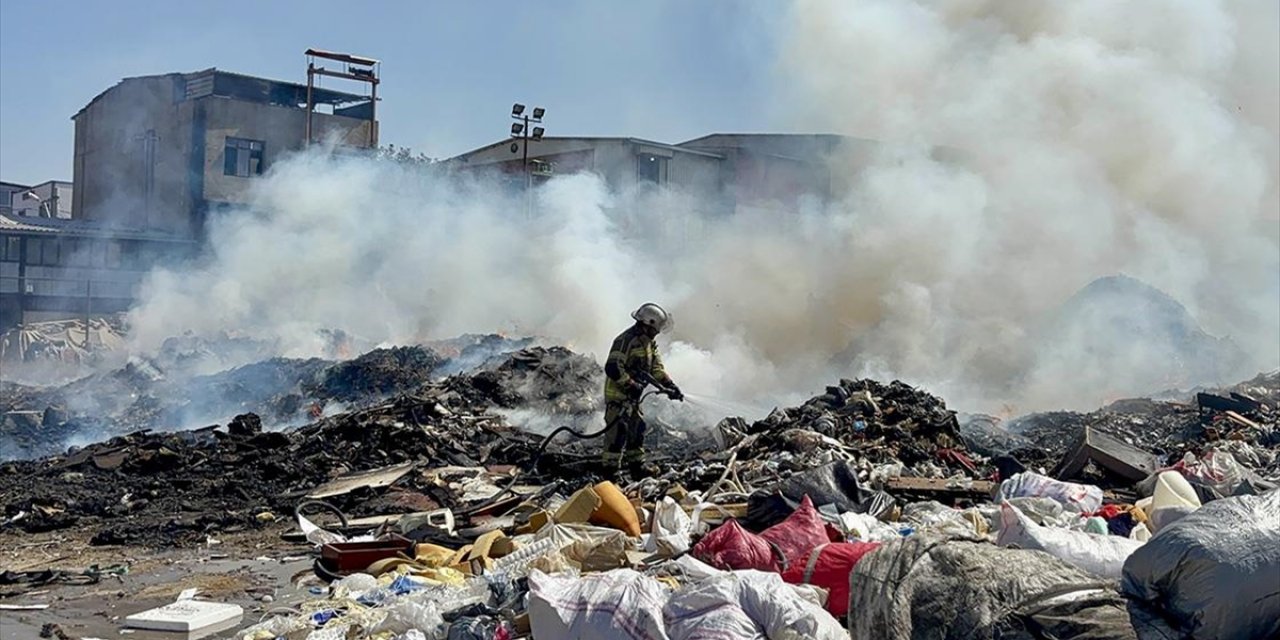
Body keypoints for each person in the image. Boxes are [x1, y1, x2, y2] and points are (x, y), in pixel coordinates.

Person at [601, 303, 683, 471]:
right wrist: (630, 384)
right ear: (646, 325)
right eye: (655, 330)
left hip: (633, 398)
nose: (656, 334)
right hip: (617, 396)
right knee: (618, 433)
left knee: (637, 430)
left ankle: (636, 467)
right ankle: (610, 473)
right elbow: (613, 367)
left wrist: (670, 385)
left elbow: (656, 369)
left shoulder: (649, 344)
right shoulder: (625, 341)